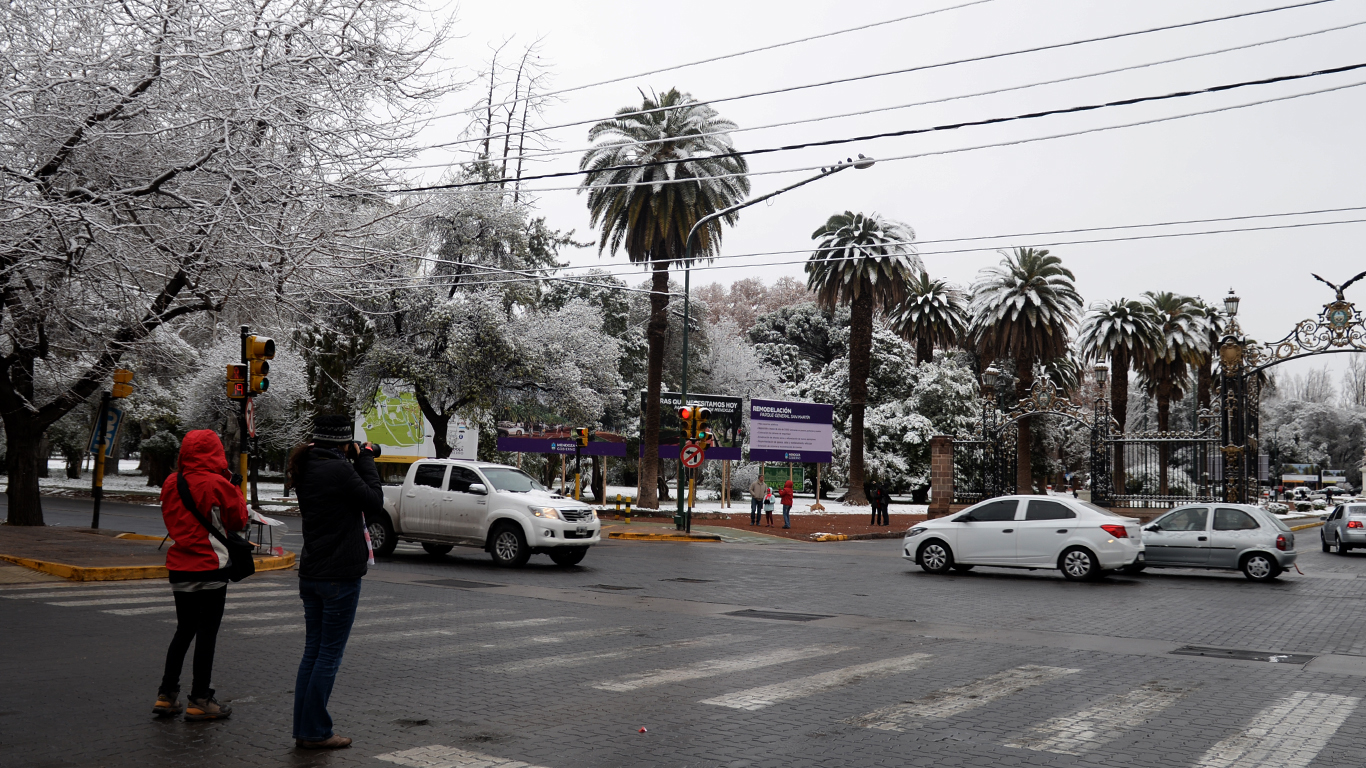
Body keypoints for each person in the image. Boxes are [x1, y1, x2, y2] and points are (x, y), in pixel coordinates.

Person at [289, 415, 385, 750]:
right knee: (329, 656)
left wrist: (354, 459)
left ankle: (305, 728)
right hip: (339, 576)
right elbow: (374, 501)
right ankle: (315, 731)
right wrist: (368, 459)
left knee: (313, 653)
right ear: (344, 443)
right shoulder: (340, 470)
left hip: (312, 572)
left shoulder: (308, 467)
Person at [153, 429, 248, 721]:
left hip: (179, 565)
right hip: (210, 566)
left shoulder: (172, 481)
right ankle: (200, 698)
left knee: (184, 630)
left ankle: (166, 695)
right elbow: (238, 519)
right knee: (207, 632)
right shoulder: (219, 483)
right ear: (215, 453)